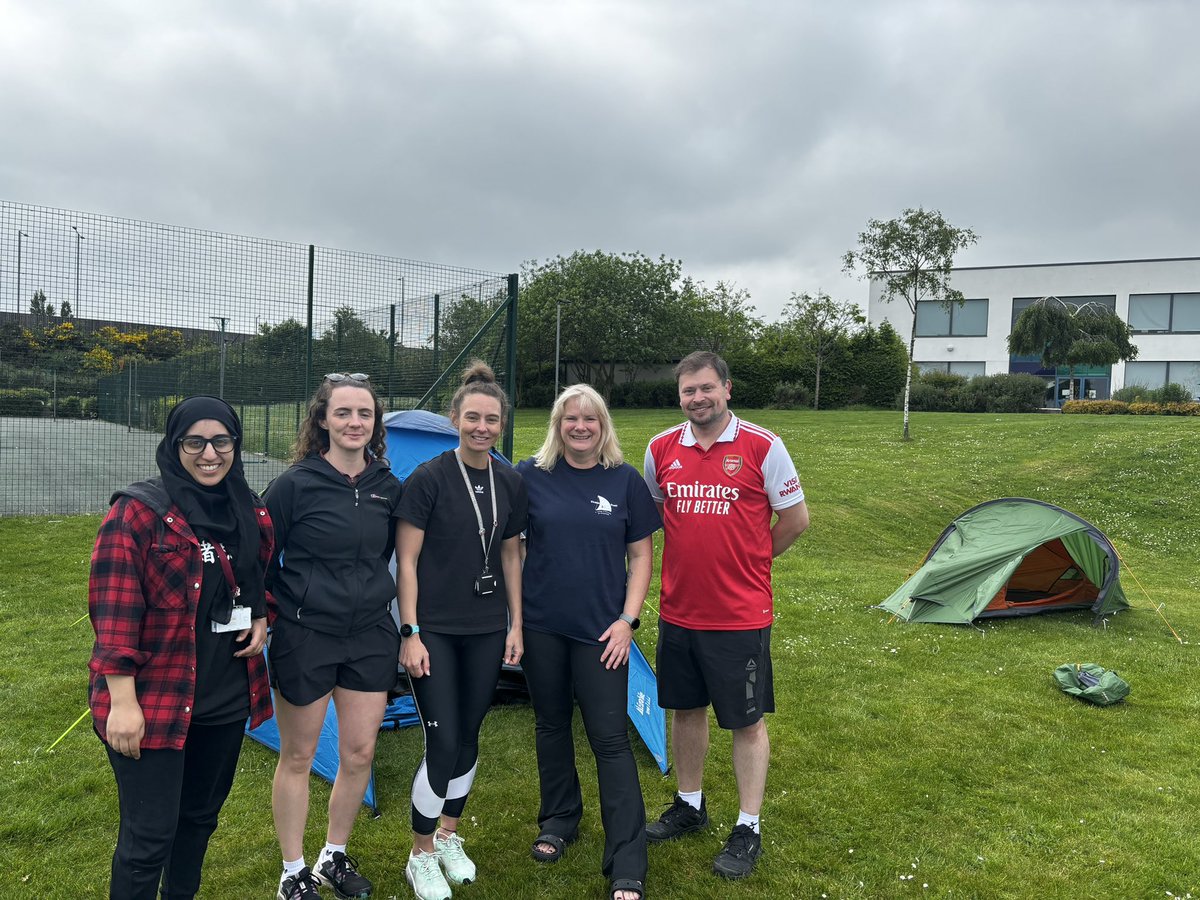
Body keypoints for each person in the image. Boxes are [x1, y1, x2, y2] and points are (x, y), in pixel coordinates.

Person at [88, 396, 273, 900]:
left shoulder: (248, 508)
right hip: (154, 702)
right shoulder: (137, 514)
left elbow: (255, 577)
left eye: (221, 441)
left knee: (196, 825)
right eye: (195, 441)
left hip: (225, 697)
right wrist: (122, 704)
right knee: (148, 839)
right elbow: (113, 615)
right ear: (174, 445)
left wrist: (260, 615)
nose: (209, 454)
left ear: (235, 443)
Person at [642, 350, 809, 881]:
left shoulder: (764, 445)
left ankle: (748, 825)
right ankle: (689, 804)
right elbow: (650, 519)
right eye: (688, 391)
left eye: (706, 388)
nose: (698, 398)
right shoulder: (660, 449)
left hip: (740, 614)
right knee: (686, 711)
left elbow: (796, 519)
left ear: (727, 389)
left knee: (745, 720)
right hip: (680, 611)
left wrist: (753, 559)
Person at [517, 384, 661, 900]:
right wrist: (515, 621)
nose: (580, 427)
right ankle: (558, 820)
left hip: (604, 634)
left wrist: (628, 620)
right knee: (551, 725)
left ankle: (627, 859)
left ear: (604, 426)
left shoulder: (624, 482)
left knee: (610, 740)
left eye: (590, 419)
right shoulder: (529, 475)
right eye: (570, 418)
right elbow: (512, 548)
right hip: (542, 627)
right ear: (557, 424)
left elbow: (641, 557)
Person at [265, 373, 404, 900]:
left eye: (364, 414)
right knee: (298, 756)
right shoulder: (294, 484)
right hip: (308, 636)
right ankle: (292, 870)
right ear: (322, 419)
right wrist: (267, 612)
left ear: (375, 423)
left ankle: (333, 855)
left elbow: (405, 556)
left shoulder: (387, 486)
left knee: (360, 753)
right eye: (343, 413)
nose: (354, 423)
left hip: (370, 634)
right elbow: (259, 554)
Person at [396, 361, 528, 900]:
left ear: (501, 424)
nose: (481, 427)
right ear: (454, 419)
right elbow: (406, 562)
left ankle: (449, 835)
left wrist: (515, 623)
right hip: (434, 631)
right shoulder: (428, 478)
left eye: (491, 419)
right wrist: (410, 631)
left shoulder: (511, 480)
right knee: (443, 739)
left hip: (486, 628)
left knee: (470, 736)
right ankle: (419, 852)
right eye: (472, 417)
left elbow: (513, 554)